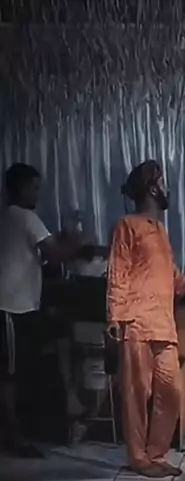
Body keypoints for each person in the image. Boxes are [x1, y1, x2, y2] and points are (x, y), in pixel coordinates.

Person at [0, 162, 91, 457]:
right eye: (34, 188)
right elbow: (58, 255)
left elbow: (46, 256)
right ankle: (14, 436)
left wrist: (64, 240)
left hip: (21, 308)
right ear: (21, 188)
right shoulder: (25, 217)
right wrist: (75, 236)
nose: (38, 194)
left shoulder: (11, 218)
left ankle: (62, 408)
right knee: (10, 375)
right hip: (10, 308)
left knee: (23, 366)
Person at [107, 160, 185, 478]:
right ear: (153, 188)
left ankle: (155, 454)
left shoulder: (161, 230)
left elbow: (164, 271)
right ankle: (139, 459)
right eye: (163, 183)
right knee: (135, 394)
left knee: (171, 391)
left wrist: (182, 281)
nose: (167, 189)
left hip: (163, 324)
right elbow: (118, 272)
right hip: (136, 322)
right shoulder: (127, 225)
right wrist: (114, 317)